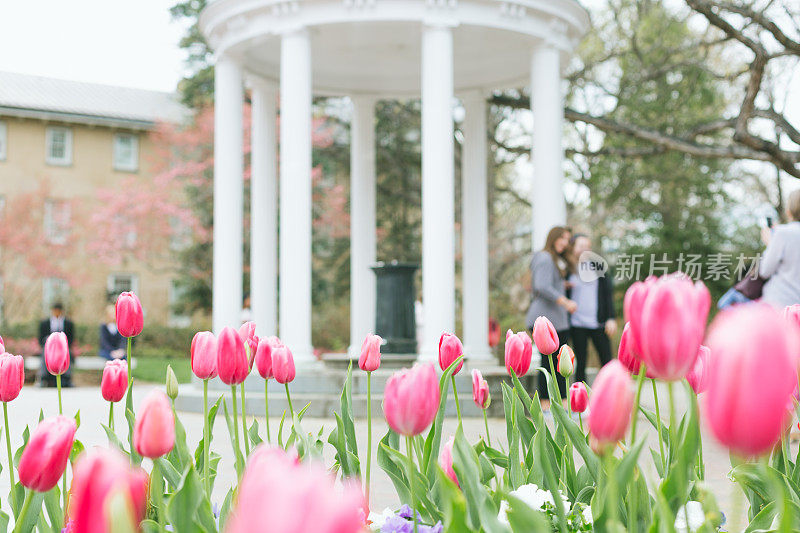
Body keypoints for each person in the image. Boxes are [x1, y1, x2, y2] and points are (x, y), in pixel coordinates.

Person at [526, 226, 576, 410]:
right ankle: (546, 405)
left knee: (558, 362)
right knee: (549, 363)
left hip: (556, 319)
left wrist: (562, 284)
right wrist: (565, 301)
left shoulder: (552, 259)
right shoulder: (545, 258)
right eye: (562, 238)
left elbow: (548, 283)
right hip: (546, 319)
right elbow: (542, 285)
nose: (565, 242)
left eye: (567, 239)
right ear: (553, 237)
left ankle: (560, 403)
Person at [567, 234, 617, 384]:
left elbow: (607, 294)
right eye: (581, 246)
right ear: (573, 248)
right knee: (580, 362)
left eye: (587, 246)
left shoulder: (598, 267)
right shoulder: (567, 270)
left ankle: (610, 392)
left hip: (598, 322)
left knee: (607, 360)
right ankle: (580, 399)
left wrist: (611, 318)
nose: (585, 250)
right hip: (577, 323)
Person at [760, 189, 800, 308]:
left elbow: (765, 271)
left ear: (789, 212)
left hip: (780, 303)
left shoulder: (782, 233)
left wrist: (770, 243)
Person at [38, 302, 74, 387]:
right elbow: (41, 338)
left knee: (68, 352)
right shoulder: (44, 323)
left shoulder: (68, 323)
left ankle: (67, 378)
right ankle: (43, 378)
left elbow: (71, 338)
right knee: (44, 352)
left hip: (63, 348)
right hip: (49, 348)